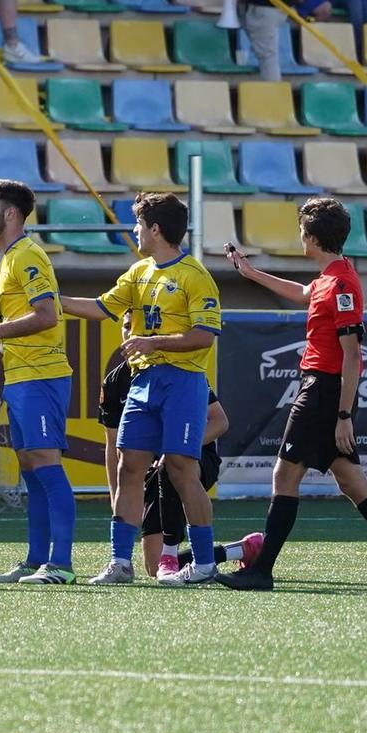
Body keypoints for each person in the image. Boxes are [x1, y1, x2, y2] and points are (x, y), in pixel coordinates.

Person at [219, 196, 367, 593]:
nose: (300, 237)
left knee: (285, 474)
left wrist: (343, 415)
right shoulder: (335, 276)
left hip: (322, 390)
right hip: (325, 389)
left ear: (312, 237)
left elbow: (352, 355)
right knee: (350, 480)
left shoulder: (342, 283)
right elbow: (303, 293)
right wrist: (250, 272)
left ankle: (261, 571)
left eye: (302, 231)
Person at [50, 192, 226, 586]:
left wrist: (154, 342)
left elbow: (204, 337)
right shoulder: (139, 272)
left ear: (155, 229)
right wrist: (53, 302)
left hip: (181, 383)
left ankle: (203, 564)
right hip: (143, 382)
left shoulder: (194, 276)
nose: (134, 231)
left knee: (183, 470)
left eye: (138, 225)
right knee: (130, 467)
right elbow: (101, 307)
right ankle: (120, 563)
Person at [0, 180, 79, 585]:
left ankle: (61, 564)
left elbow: (47, 315)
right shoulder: (10, 257)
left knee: (45, 463)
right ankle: (36, 560)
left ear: (10, 213)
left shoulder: (27, 255)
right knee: (30, 466)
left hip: (42, 375)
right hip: (23, 375)